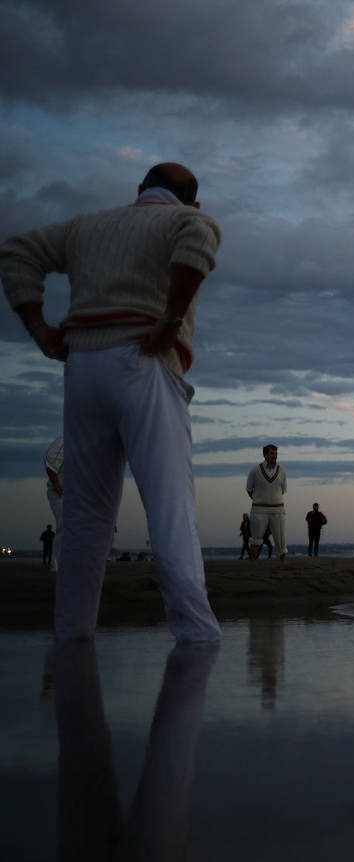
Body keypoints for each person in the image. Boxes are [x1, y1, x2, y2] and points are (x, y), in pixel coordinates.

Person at [0, 161, 222, 642]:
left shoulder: (86, 227)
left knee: (85, 519)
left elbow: (17, 252)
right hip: (144, 361)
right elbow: (200, 239)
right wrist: (169, 319)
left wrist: (39, 328)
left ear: (140, 190)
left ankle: (72, 637)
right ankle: (197, 639)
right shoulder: (185, 220)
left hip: (83, 366)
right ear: (193, 201)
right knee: (170, 509)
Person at [246, 444, 288, 561]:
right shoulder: (255, 470)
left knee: (280, 540)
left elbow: (282, 490)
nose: (274, 456)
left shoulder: (282, 471)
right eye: (271, 453)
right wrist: (259, 500)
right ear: (265, 455)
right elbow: (249, 489)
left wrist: (273, 500)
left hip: (278, 509)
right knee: (256, 539)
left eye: (276, 453)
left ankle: (283, 564)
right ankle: (253, 563)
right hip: (259, 509)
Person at [43, 435, 63, 572]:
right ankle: (56, 565)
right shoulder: (66, 440)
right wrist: (59, 489)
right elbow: (50, 464)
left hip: (78, 495)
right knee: (65, 526)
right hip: (59, 493)